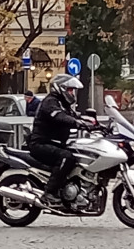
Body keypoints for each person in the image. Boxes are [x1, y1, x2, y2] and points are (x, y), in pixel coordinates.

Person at [27, 74, 93, 208]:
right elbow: (60, 117)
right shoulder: (50, 102)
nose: (72, 93)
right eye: (70, 90)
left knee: (78, 154)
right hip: (41, 144)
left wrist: (95, 124)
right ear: (60, 88)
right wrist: (77, 122)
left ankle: (72, 189)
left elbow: (74, 116)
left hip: (54, 143)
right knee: (67, 157)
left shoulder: (63, 104)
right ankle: (49, 193)